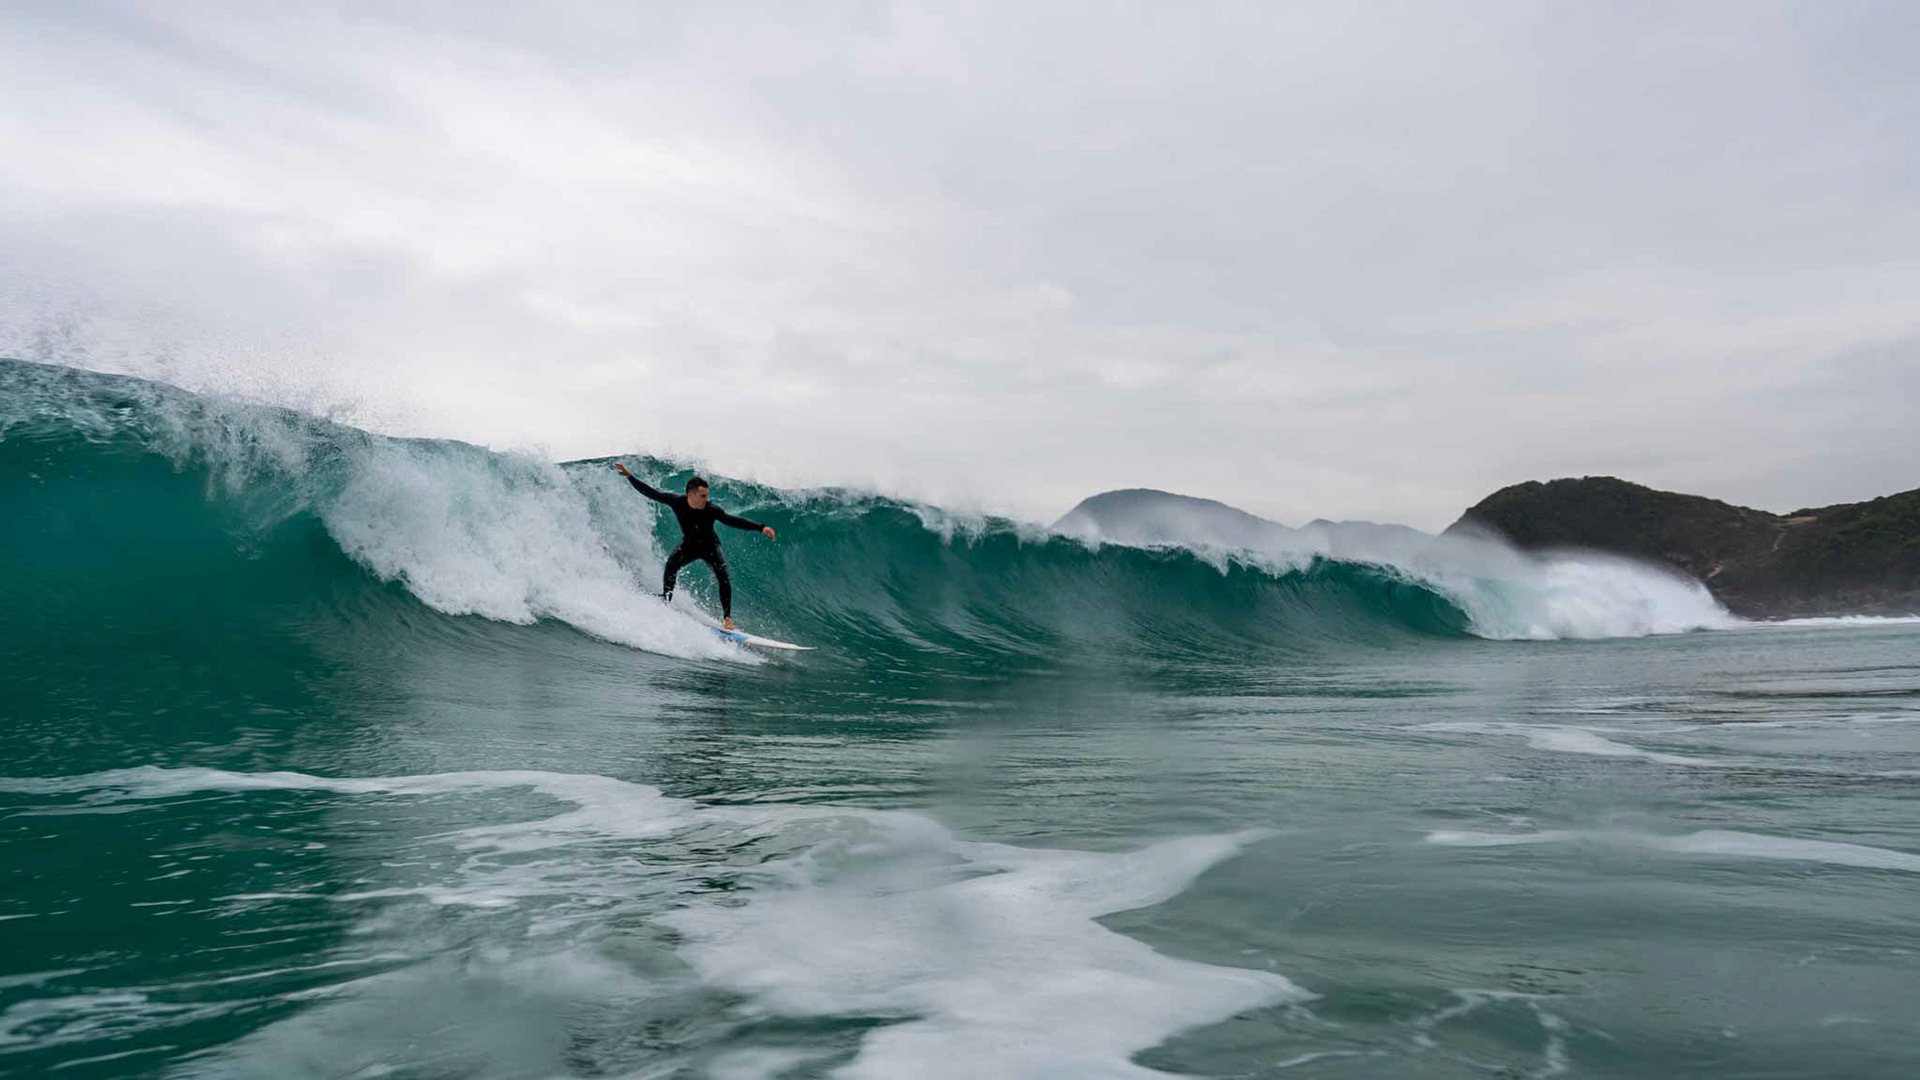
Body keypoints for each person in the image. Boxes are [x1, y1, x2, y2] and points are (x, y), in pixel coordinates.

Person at [614, 462, 775, 631]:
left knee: (723, 575)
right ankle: (666, 600)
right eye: (703, 496)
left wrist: (760, 527)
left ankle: (727, 618)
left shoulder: (711, 509)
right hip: (689, 544)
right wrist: (630, 477)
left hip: (710, 546)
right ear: (691, 494)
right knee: (671, 565)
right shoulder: (677, 502)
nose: (706, 499)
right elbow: (651, 493)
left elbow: (732, 520)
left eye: (707, 495)